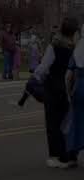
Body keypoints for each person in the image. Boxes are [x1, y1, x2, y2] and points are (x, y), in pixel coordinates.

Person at [34, 17, 79, 168]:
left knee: (53, 124)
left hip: (54, 87)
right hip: (70, 88)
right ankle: (70, 155)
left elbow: (43, 68)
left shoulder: (54, 46)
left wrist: (37, 78)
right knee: (68, 123)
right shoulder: (75, 48)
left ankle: (57, 157)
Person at [63, 24, 84, 165]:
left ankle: (73, 155)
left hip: (80, 88)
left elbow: (68, 76)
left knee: (76, 121)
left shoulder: (78, 49)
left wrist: (68, 92)